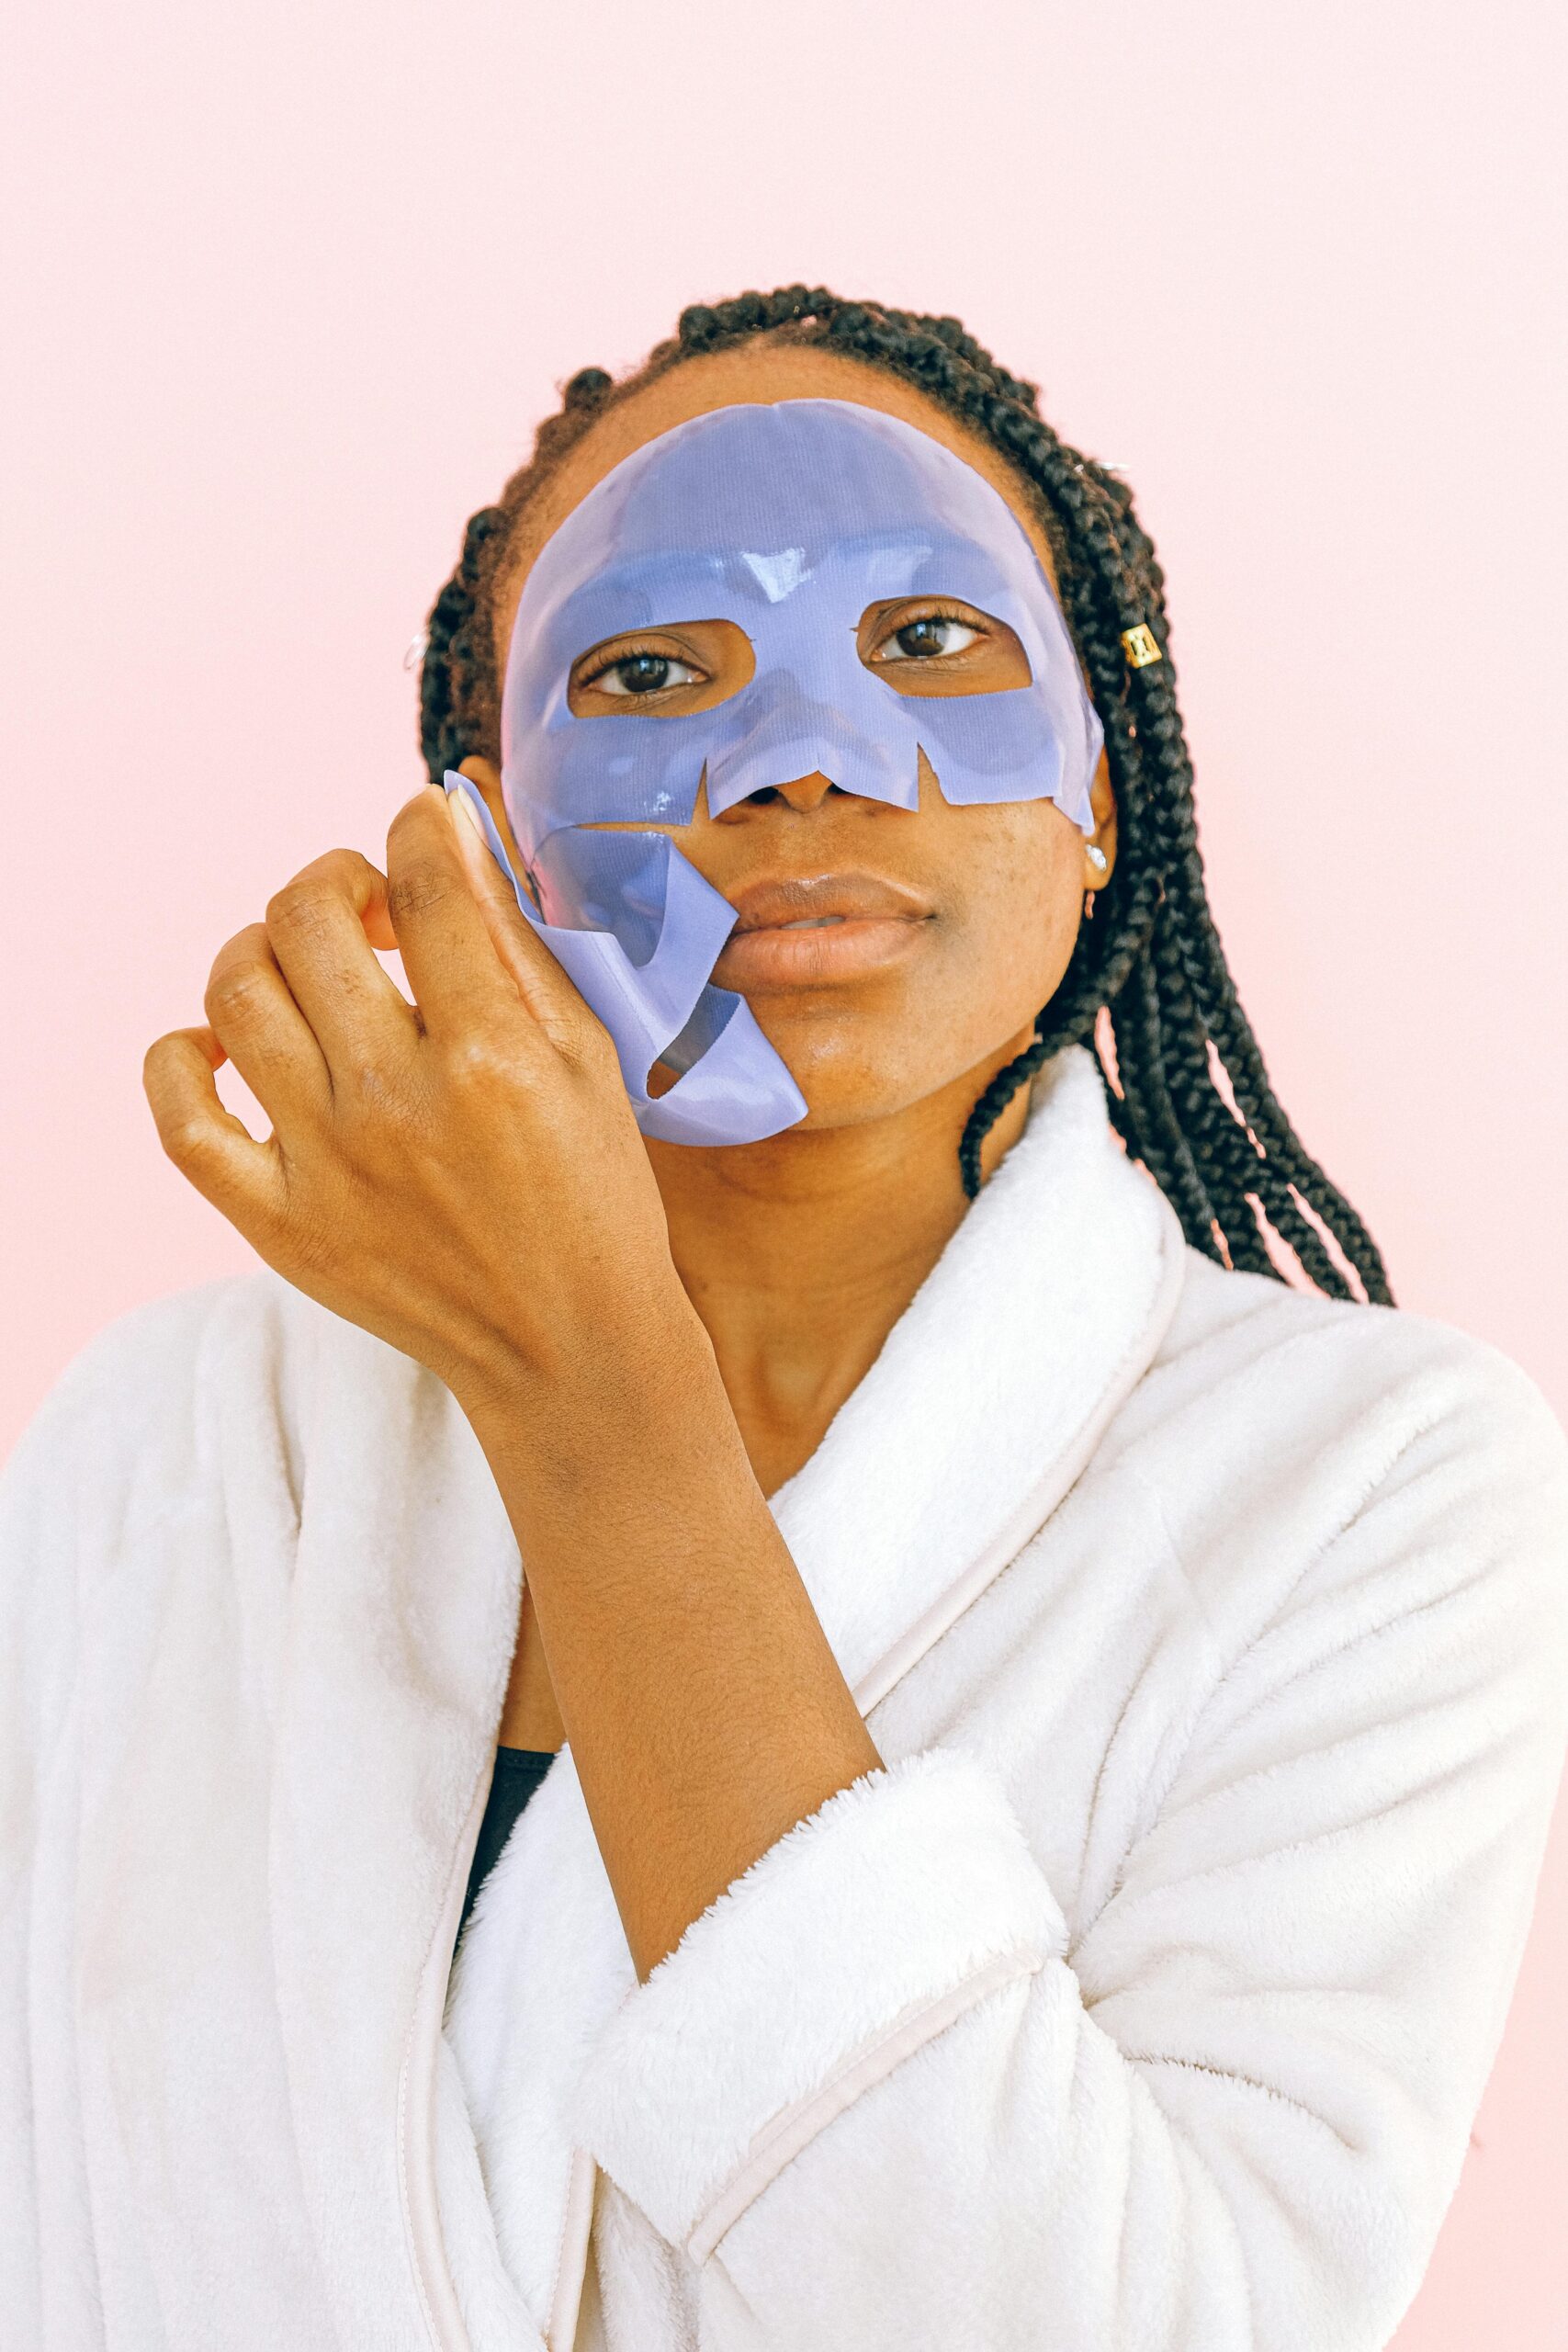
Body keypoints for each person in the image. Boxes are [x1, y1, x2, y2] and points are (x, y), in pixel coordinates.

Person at [5, 284, 1566, 2352]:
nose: (800, 761)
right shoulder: (168, 1444)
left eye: (927, 641)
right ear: (487, 831)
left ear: (1099, 786)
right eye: (649, 672)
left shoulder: (1373, 1485)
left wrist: (592, 1394)